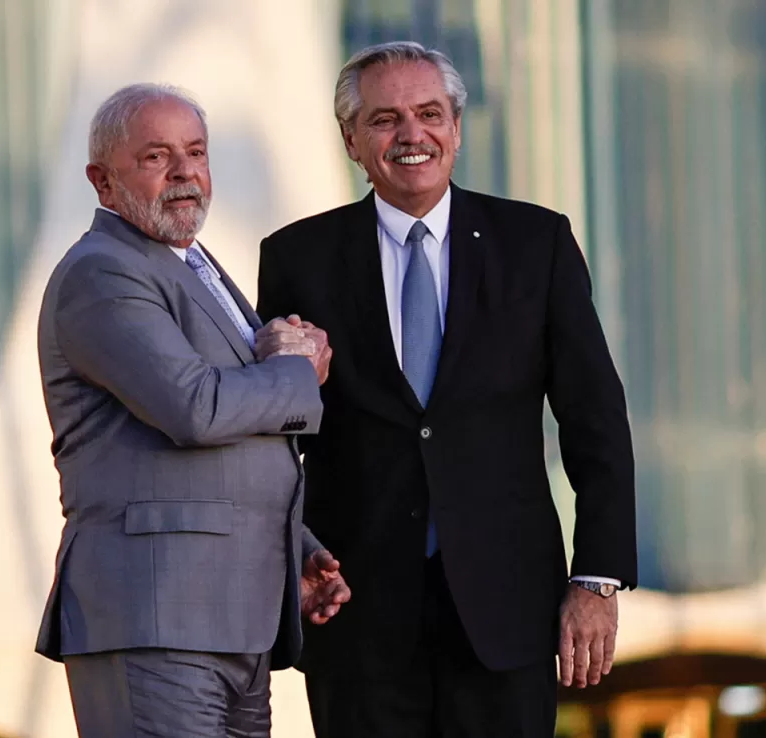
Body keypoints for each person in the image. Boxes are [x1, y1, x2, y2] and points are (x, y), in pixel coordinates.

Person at [256, 42, 637, 738]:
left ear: (457, 129)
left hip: (508, 615)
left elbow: (596, 420)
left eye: (430, 114)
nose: (412, 135)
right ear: (350, 138)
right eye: (385, 119)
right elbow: (276, 443)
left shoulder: (536, 244)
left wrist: (597, 579)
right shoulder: (296, 258)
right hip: (355, 616)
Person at [34, 83, 350, 738]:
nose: (184, 173)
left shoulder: (191, 265)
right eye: (156, 157)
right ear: (101, 179)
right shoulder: (104, 273)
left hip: (232, 621)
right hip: (154, 617)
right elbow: (196, 407)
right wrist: (298, 369)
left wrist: (294, 545)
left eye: (196, 152)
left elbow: (229, 441)